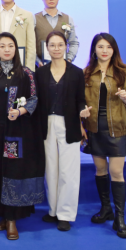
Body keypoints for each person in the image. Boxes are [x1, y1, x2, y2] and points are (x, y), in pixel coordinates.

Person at [0, 32, 42, 240]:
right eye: (2, 46)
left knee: (12, 172)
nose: (6, 49)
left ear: (16, 49)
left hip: (17, 134)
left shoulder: (26, 73)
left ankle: (11, 220)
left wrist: (20, 111)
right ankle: (2, 214)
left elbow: (34, 99)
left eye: (10, 46)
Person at [82, 33, 126, 239]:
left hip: (117, 129)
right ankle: (106, 209)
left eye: (109, 47)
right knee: (100, 169)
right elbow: (80, 100)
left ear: (114, 50)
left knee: (116, 171)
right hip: (94, 129)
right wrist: (81, 114)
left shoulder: (124, 71)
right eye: (100, 46)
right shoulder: (86, 73)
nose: (104, 50)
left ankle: (119, 218)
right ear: (94, 49)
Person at [35, 31, 87, 232]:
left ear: (66, 46)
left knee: (68, 171)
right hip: (46, 124)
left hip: (69, 124)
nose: (56, 48)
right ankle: (53, 210)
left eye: (60, 45)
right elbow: (37, 101)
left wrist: (83, 112)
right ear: (46, 48)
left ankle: (65, 214)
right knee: (50, 169)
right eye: (52, 45)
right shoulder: (40, 73)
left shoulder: (77, 72)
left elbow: (80, 99)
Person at [34, 0, 79, 65]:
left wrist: (69, 60)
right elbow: (30, 45)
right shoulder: (34, 19)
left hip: (63, 67)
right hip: (40, 67)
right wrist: (38, 62)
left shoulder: (68, 18)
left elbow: (73, 42)